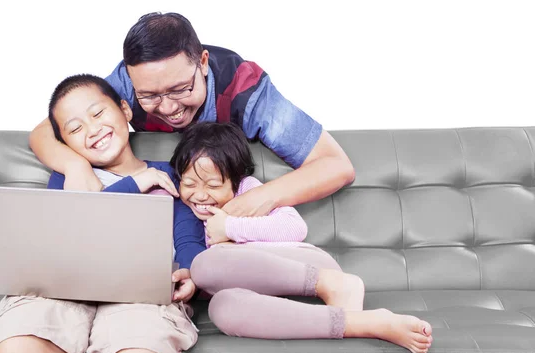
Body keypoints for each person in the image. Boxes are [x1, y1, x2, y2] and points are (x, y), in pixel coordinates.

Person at [29, 12, 355, 218]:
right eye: (150, 97)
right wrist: (74, 164)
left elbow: (335, 165)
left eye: (181, 89)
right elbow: (46, 130)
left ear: (202, 63)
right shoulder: (127, 84)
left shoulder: (246, 89)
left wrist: (263, 197)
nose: (169, 108)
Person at [0, 74, 206, 353]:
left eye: (98, 113)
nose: (92, 129)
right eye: (75, 128)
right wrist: (133, 185)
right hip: (60, 290)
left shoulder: (168, 175)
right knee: (20, 349)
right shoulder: (67, 177)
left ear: (125, 110)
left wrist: (191, 270)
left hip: (144, 296)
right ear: (64, 142)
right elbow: (75, 229)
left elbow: (188, 237)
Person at [170, 122, 434, 353]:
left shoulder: (247, 191)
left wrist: (230, 227)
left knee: (206, 264)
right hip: (276, 300)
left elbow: (293, 228)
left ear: (236, 180)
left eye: (213, 185)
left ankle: (330, 284)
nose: (200, 195)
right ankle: (364, 323)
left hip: (307, 268)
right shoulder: (186, 215)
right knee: (222, 308)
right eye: (189, 184)